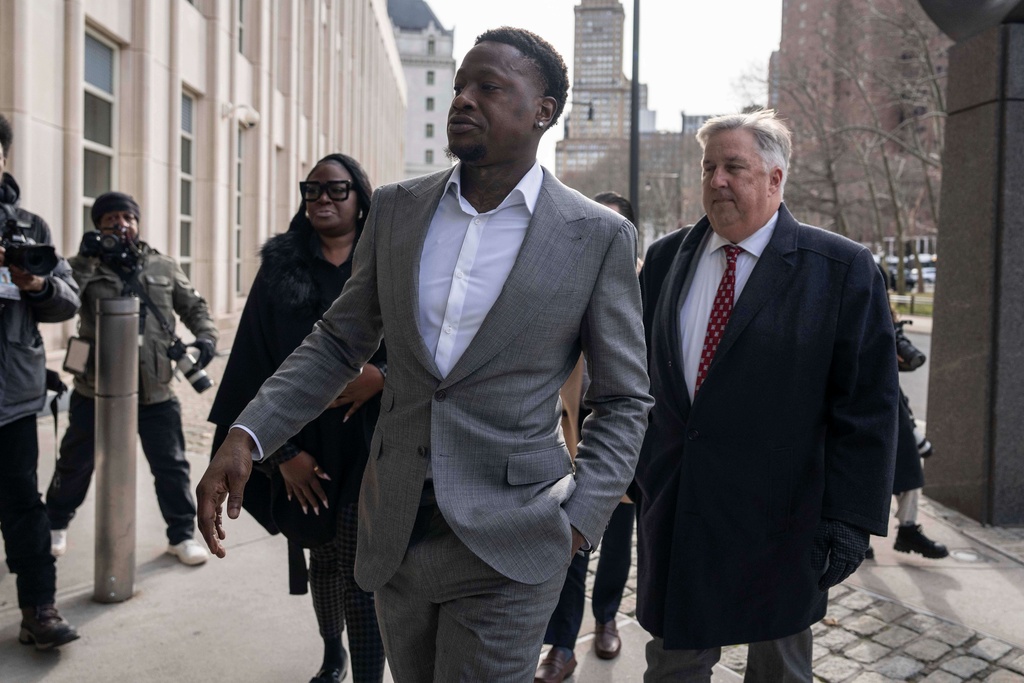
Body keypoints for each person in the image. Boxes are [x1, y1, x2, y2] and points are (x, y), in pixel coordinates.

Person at [199, 26, 652, 682]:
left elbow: (622, 397)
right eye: (460, 86)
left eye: (488, 87)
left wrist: (579, 522)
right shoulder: (397, 210)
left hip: (515, 539)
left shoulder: (596, 236)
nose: (462, 99)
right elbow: (337, 341)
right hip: (395, 528)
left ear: (543, 111)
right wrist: (247, 433)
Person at [634, 109, 897, 682]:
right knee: (672, 668)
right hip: (680, 514)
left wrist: (849, 519)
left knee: (780, 671)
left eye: (734, 167)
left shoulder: (842, 269)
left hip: (782, 524)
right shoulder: (662, 261)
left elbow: (868, 407)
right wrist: (636, 475)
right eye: (709, 168)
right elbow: (639, 381)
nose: (717, 181)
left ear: (776, 179)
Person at [207, 153, 386, 683]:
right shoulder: (281, 268)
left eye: (336, 190)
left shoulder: (388, 261)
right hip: (302, 445)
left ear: (361, 199)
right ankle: (334, 654)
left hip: (373, 443)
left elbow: (424, 346)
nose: (323, 200)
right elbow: (250, 363)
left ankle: (368, 675)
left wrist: (381, 375)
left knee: (364, 569)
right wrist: (281, 455)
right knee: (322, 558)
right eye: (312, 190)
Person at [46, 191, 218, 566]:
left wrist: (206, 337)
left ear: (137, 223)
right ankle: (55, 523)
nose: (119, 224)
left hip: (155, 388)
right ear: (98, 226)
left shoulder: (162, 265)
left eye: (127, 217)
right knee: (75, 461)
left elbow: (194, 307)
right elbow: (62, 301)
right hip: (96, 388)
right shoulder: (82, 264)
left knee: (171, 465)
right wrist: (89, 260)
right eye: (110, 219)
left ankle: (181, 535)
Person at [536, 191, 640, 683]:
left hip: (622, 446)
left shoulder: (642, 291)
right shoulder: (562, 282)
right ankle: (561, 645)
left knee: (617, 543)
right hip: (568, 444)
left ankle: (606, 617)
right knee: (570, 546)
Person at [0, 113, 82, 649]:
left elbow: (67, 300)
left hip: (11, 396)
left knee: (22, 504)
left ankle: (39, 611)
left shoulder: (27, 225)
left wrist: (33, 282)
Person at [864, 308, 947, 561]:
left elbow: (904, 364)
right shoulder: (853, 301)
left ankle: (908, 529)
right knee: (861, 471)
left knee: (909, 467)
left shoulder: (885, 312)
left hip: (889, 401)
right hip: (856, 400)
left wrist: (895, 346)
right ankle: (857, 534)